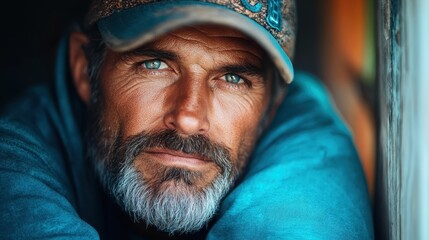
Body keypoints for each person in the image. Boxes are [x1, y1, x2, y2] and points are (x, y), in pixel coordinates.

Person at [0, 0, 374, 239]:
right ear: (85, 71)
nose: (189, 118)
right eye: (154, 64)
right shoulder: (15, 156)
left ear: (273, 105)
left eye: (233, 78)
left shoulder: (309, 145)